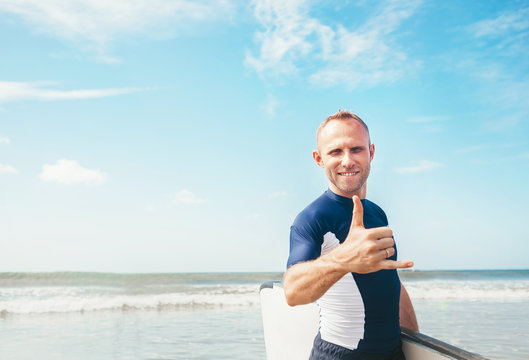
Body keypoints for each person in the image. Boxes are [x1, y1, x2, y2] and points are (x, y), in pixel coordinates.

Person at [284, 110, 418, 360]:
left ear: (371, 153)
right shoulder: (312, 218)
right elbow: (292, 292)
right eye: (335, 151)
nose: (347, 160)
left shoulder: (378, 213)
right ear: (319, 158)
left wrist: (417, 345)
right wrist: (342, 259)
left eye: (356, 149)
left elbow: (392, 284)